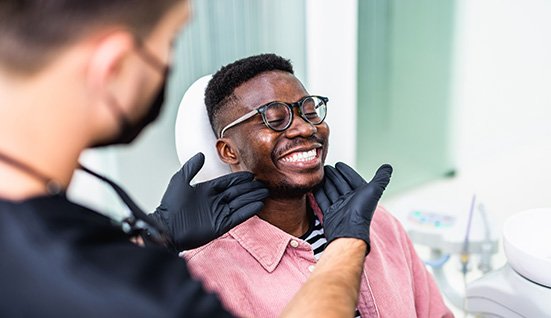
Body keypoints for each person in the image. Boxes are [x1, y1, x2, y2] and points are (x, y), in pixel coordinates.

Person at [0, 1, 391, 317]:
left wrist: (155, 232)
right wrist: (347, 244)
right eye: (168, 43)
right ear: (114, 66)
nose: (303, 128)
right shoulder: (149, 293)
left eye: (307, 110)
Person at [176, 54, 454, 317]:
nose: (305, 128)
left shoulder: (377, 224)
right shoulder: (203, 278)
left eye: (310, 112)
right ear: (228, 151)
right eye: (274, 119)